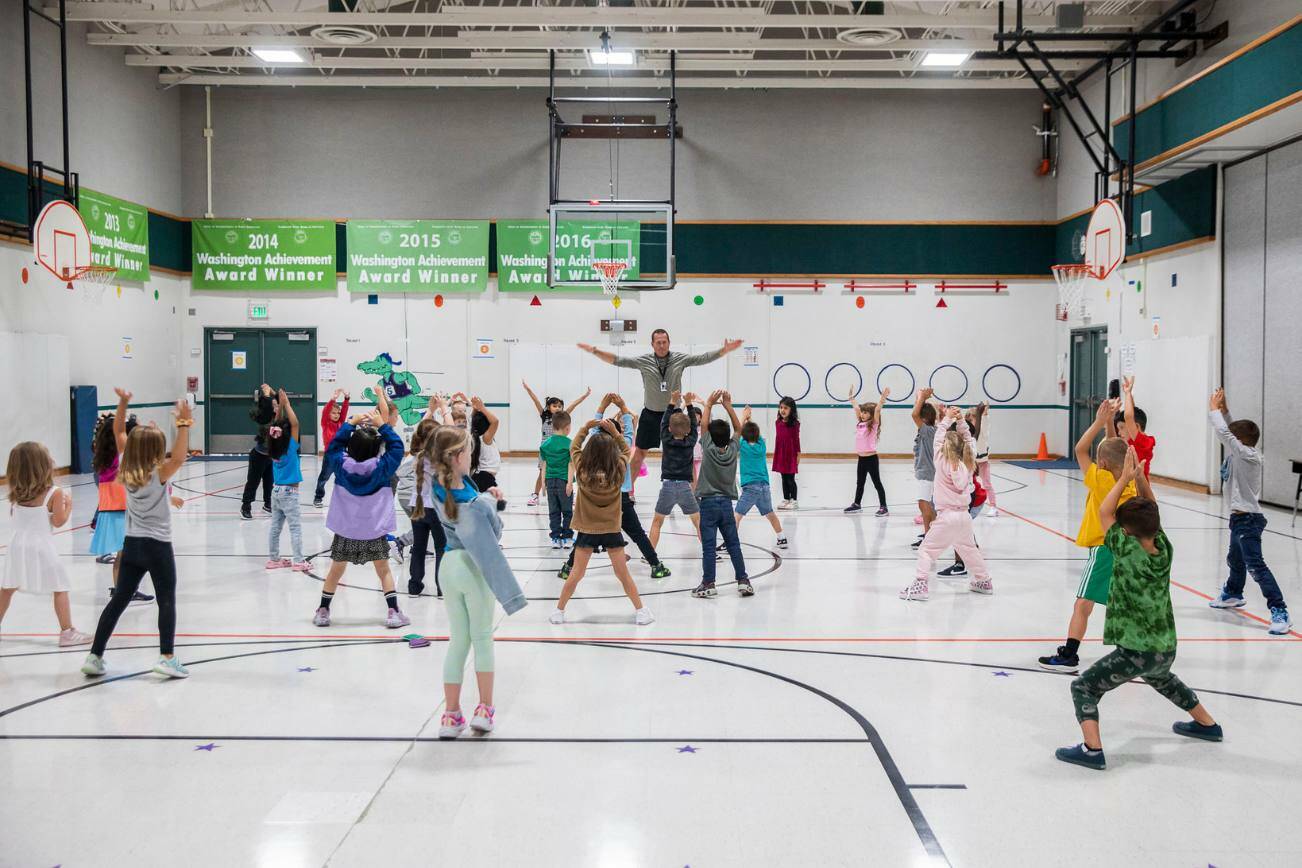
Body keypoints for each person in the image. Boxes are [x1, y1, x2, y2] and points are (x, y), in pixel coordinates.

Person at [1055, 446, 1222, 771]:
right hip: (1165, 646)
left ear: (1125, 531)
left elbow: (1105, 512)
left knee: (1083, 686)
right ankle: (1207, 724)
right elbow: (1152, 510)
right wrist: (1141, 480)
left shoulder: (1125, 551)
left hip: (1136, 650)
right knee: (1163, 679)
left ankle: (1092, 750)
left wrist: (1126, 480)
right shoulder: (1163, 548)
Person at [413, 426, 527, 739]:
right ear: (460, 456)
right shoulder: (475, 503)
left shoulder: (437, 485)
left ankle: (450, 715)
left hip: (447, 566)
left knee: (458, 641)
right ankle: (484, 709)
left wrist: (486, 497)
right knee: (482, 639)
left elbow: (466, 501)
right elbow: (492, 532)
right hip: (473, 568)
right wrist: (491, 501)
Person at [82, 391, 193, 678]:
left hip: (132, 545)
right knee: (166, 598)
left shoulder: (126, 467)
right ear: (157, 450)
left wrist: (122, 403)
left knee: (118, 600)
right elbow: (180, 455)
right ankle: (166, 657)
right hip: (158, 547)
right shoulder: (160, 473)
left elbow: (118, 429)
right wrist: (184, 423)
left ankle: (95, 655)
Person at [577, 330, 744, 493]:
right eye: (658, 342)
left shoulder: (680, 358)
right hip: (650, 414)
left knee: (686, 454)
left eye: (664, 342)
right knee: (639, 454)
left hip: (674, 415)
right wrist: (595, 351)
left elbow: (703, 358)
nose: (662, 345)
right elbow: (618, 360)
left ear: (669, 343)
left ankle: (694, 492)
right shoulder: (644, 361)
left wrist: (724, 350)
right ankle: (627, 491)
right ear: (652, 344)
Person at [1037, 399, 1135, 673]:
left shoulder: (1101, 479)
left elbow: (1080, 449)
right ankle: (1132, 649)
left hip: (1103, 549)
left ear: (1101, 463)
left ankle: (1069, 654)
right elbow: (1115, 450)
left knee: (1083, 602)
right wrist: (1109, 424)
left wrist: (1098, 422)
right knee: (1120, 601)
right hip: (1126, 549)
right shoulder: (1129, 482)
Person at [312, 389, 410, 629]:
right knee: (384, 570)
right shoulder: (382, 468)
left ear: (351, 447)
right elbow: (397, 448)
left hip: (346, 531)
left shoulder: (341, 465)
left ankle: (323, 610)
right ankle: (393, 612)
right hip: (374, 531)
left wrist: (350, 424)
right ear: (377, 449)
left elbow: (333, 447)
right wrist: (383, 426)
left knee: (336, 570)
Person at [549, 418, 655, 625]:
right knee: (623, 574)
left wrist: (586, 427)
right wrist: (615, 432)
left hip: (587, 530)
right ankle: (641, 611)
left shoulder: (581, 470)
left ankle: (559, 611)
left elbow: (574, 447)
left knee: (576, 573)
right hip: (611, 529)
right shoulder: (618, 470)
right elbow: (626, 451)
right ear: (612, 452)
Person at [559, 393, 671, 581]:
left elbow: (591, 436)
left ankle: (568, 568)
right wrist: (624, 408)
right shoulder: (621, 448)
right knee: (637, 534)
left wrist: (600, 410)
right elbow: (627, 438)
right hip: (620, 498)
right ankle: (656, 565)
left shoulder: (592, 450)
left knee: (584, 535)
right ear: (618, 434)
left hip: (594, 498)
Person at [1206, 389, 1292, 634]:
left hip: (1248, 520)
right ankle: (1233, 592)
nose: (1230, 441)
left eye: (1235, 438)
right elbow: (1231, 429)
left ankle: (1280, 610)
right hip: (1238, 517)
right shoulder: (1242, 451)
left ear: (1240, 442)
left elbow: (1225, 432)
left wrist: (1213, 409)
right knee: (1235, 559)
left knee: (1255, 565)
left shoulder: (1247, 455)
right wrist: (1224, 408)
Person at [1, 442, 90, 647]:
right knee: (60, 586)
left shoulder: (16, 492)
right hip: (41, 545)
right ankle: (67, 631)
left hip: (17, 545)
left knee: (7, 588)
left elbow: (18, 517)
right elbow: (58, 521)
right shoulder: (54, 492)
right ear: (43, 465)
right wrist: (69, 506)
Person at [900, 407, 993, 600]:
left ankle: (920, 584)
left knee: (926, 549)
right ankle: (984, 580)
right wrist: (960, 421)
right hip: (964, 517)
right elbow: (969, 440)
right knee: (969, 550)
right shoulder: (968, 460)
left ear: (944, 447)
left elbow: (937, 438)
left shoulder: (941, 460)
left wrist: (948, 419)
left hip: (947, 517)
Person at [89, 411, 153, 604]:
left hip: (109, 511)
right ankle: (124, 591)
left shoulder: (103, 458)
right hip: (123, 511)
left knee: (121, 556)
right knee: (127, 556)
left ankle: (121, 590)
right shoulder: (120, 458)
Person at [694, 390, 751, 598]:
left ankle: (708, 583)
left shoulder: (707, 447)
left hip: (708, 504)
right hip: (727, 505)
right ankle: (743, 580)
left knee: (709, 546)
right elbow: (738, 428)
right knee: (734, 544)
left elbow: (703, 426)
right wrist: (728, 406)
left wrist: (708, 404)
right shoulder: (733, 448)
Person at [648, 391, 702, 550]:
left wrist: (672, 402)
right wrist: (689, 404)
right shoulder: (691, 441)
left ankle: (650, 555)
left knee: (657, 522)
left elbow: (663, 423)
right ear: (688, 430)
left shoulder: (666, 440)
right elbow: (693, 424)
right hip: (685, 487)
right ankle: (710, 552)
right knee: (698, 521)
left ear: (669, 429)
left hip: (668, 487)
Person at [522, 381, 589, 506]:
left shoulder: (563, 416)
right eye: (554, 406)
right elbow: (535, 400)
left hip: (561, 449)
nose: (558, 408)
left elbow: (573, 405)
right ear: (549, 407)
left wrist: (584, 397)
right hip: (547, 449)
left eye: (559, 406)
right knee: (542, 471)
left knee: (566, 471)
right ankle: (535, 495)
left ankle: (570, 493)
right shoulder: (544, 416)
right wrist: (528, 389)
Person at [265, 389, 309, 571]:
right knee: (295, 527)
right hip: (290, 493)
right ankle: (298, 560)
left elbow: (276, 425)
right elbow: (296, 424)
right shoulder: (290, 447)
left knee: (275, 527)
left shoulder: (273, 447)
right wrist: (287, 404)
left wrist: (281, 406)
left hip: (275, 491)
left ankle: (274, 558)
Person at [731, 406, 787, 549]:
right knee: (770, 513)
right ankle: (782, 537)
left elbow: (737, 434)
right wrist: (750, 419)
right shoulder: (762, 444)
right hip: (764, 487)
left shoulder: (742, 445)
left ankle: (730, 542)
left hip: (750, 487)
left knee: (737, 515)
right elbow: (755, 433)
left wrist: (744, 417)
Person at [845, 388, 890, 516]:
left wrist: (882, 399)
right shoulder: (860, 423)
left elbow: (877, 410)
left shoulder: (874, 424)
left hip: (871, 459)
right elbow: (856, 409)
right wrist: (852, 399)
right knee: (860, 482)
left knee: (877, 483)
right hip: (861, 459)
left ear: (871, 415)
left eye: (866, 413)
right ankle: (857, 504)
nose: (863, 414)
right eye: (863, 412)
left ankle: (883, 507)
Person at [539, 411, 575, 548]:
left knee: (553, 511)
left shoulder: (546, 444)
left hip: (550, 481)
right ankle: (566, 536)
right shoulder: (570, 444)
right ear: (567, 427)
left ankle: (555, 537)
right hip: (564, 481)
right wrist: (570, 483)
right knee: (567, 511)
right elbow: (571, 464)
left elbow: (544, 464)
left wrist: (543, 483)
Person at [241, 384, 276, 520]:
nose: (275, 405)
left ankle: (268, 504)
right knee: (253, 482)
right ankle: (246, 506)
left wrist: (272, 392)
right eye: (272, 404)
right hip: (258, 456)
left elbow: (282, 402)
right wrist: (266, 395)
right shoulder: (264, 419)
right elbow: (266, 410)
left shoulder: (276, 417)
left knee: (269, 482)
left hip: (270, 457)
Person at [909, 388, 938, 546]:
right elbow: (916, 412)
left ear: (924, 418)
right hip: (925, 473)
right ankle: (930, 535)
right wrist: (919, 398)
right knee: (925, 505)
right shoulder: (929, 430)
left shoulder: (927, 431)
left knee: (924, 504)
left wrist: (922, 397)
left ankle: (932, 536)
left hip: (927, 474)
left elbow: (914, 414)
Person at [314, 389, 350, 507]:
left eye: (337, 413)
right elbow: (325, 411)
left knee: (343, 477)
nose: (337, 415)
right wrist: (333, 399)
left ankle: (344, 498)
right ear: (329, 414)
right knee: (324, 477)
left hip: (342, 453)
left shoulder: (340, 422)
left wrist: (346, 399)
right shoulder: (326, 423)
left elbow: (344, 411)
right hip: (330, 455)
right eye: (333, 413)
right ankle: (318, 498)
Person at [1116, 376, 1155, 479]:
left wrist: (1128, 393)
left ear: (1136, 426)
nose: (1119, 433)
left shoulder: (1144, 442)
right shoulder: (1134, 440)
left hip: (1140, 490)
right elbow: (1131, 414)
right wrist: (1129, 397)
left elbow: (1129, 417)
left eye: (1122, 428)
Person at [773, 396, 802, 510]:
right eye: (781, 407)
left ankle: (794, 500)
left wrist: (798, 455)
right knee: (783, 478)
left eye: (786, 408)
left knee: (790, 479)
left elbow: (796, 440)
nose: (782, 410)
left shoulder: (795, 424)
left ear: (791, 410)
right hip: (781, 454)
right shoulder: (778, 423)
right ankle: (786, 499)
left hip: (790, 455)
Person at [469, 396, 501, 492]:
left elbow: (472, 421)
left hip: (481, 477)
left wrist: (475, 409)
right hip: (485, 479)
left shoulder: (475, 436)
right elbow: (495, 421)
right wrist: (482, 408)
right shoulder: (485, 438)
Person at [972, 402, 997, 516]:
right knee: (967, 483)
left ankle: (993, 507)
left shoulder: (983, 429)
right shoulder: (968, 432)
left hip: (982, 462)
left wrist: (985, 411)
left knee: (987, 484)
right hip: (971, 462)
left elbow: (985, 420)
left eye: (974, 419)